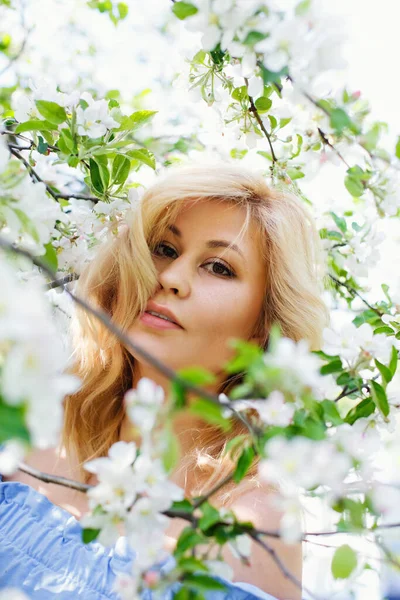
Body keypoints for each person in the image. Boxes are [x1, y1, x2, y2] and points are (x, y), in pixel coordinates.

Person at [0, 162, 329, 599]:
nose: (171, 279)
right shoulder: (31, 417)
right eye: (165, 249)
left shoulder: (252, 524)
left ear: (261, 329)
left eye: (218, 267)